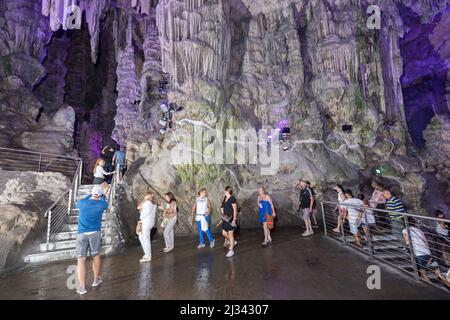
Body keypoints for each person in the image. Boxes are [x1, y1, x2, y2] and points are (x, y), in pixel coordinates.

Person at [75, 185, 109, 295]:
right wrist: (101, 196)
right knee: (96, 255)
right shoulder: (102, 204)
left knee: (81, 260)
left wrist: (91, 194)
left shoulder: (82, 204)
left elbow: (81, 200)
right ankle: (95, 280)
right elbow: (105, 202)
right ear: (100, 195)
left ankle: (82, 287)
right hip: (95, 233)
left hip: (82, 234)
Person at [402, 217, 432, 282]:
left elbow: (407, 242)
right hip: (427, 252)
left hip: (419, 253)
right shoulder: (419, 230)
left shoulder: (405, 230)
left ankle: (433, 289)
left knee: (424, 275)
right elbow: (426, 242)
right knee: (421, 272)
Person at [137, 192, 157, 262]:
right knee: (141, 236)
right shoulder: (154, 204)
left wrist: (143, 201)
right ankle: (146, 254)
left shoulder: (147, 203)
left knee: (146, 238)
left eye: (145, 195)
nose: (144, 196)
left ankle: (148, 256)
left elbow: (139, 207)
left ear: (148, 196)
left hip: (146, 222)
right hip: (150, 222)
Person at [221, 186, 238, 258]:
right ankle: (233, 242)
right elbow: (223, 207)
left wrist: (234, 220)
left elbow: (235, 210)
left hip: (231, 219)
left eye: (225, 190)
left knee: (231, 234)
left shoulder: (232, 199)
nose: (224, 192)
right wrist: (222, 213)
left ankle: (231, 250)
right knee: (224, 233)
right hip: (225, 218)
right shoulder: (225, 198)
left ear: (228, 191)